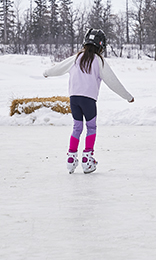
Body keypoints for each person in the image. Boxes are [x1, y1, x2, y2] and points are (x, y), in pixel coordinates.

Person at [44, 28, 134, 174]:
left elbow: (58, 68)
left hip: (74, 99)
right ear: (101, 46)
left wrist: (46, 73)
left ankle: (71, 158)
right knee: (91, 128)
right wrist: (128, 97)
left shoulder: (75, 58)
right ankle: (87, 159)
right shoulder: (99, 61)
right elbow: (113, 82)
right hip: (89, 101)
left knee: (77, 128)